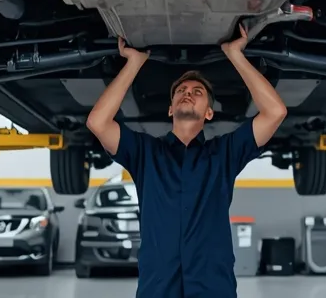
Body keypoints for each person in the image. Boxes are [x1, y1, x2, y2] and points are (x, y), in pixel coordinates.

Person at [85, 25, 288, 298]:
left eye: (197, 92)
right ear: (171, 108)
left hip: (213, 288)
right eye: (181, 90)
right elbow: (97, 122)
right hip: (157, 289)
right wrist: (134, 63)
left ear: (209, 113)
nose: (187, 92)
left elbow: (275, 112)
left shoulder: (225, 153)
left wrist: (235, 54)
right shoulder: (145, 153)